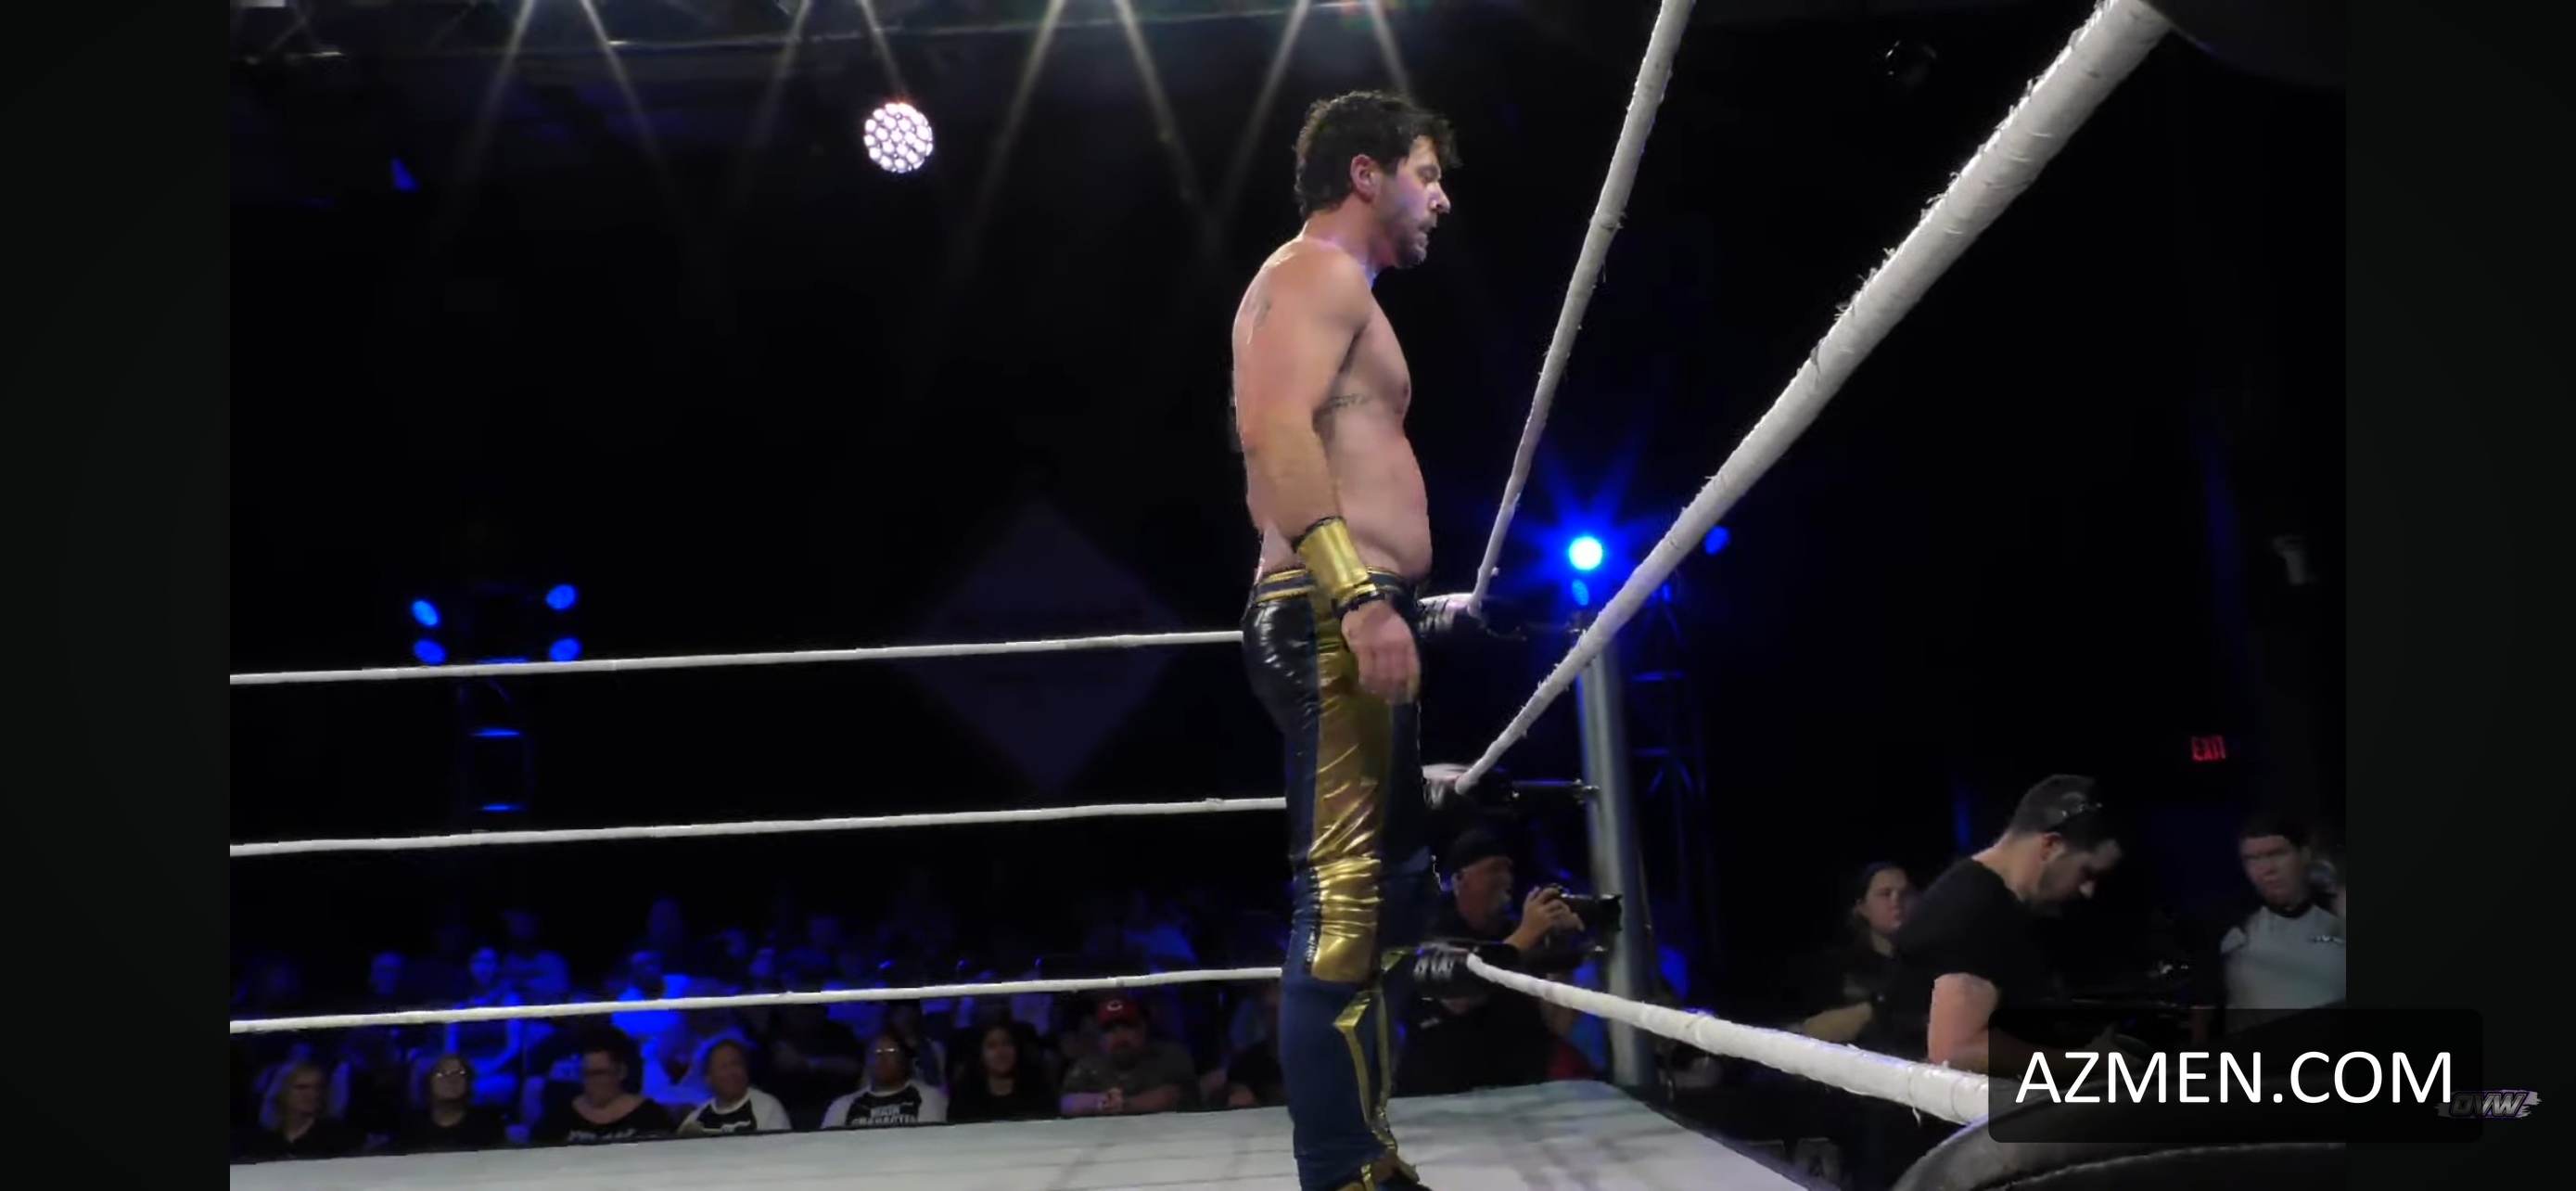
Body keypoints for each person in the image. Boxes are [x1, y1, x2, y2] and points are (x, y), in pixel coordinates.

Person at [1231, 89, 1460, 1191]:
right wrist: (1360, 596)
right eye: (1428, 174)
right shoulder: (1315, 273)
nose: (1442, 199)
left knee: (1396, 888)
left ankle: (1367, 1148)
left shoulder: (1341, 290)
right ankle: (1342, 1171)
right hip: (1333, 611)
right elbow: (1273, 431)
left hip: (1354, 606)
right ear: (1367, 174)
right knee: (1347, 896)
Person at [1850, 775, 2125, 1191]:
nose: (2088, 891)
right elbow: (1956, 1050)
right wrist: (2086, 1061)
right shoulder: (1976, 909)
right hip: (1927, 1158)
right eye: (2086, 872)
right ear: (2050, 846)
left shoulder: (1988, 898)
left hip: (1938, 1150)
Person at [391, 1054, 510, 1154]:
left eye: (460, 1073)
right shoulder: (408, 1128)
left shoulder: (489, 1123)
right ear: (427, 1082)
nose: (452, 1080)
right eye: (442, 1074)